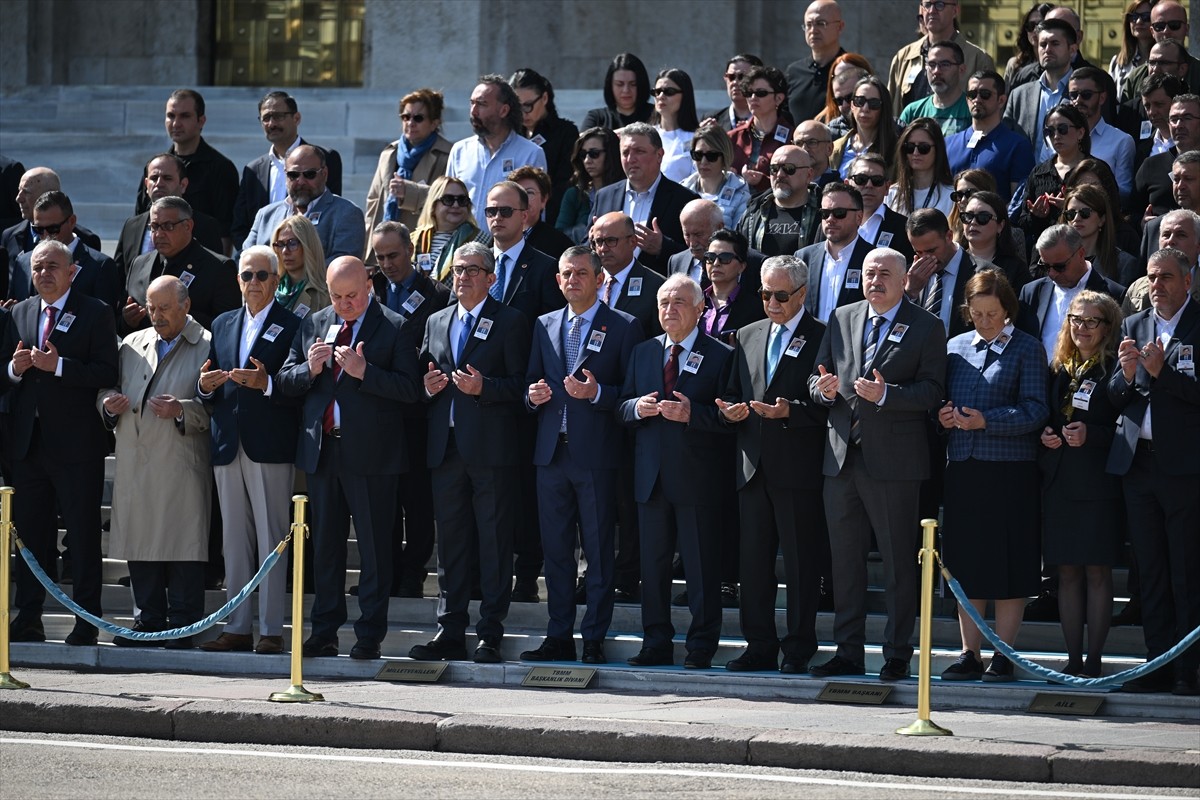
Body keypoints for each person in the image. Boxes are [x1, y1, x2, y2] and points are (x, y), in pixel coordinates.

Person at [808, 247, 947, 681]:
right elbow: (815, 377)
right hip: (841, 458)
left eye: (886, 273)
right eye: (869, 273)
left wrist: (887, 396)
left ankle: (897, 654)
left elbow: (932, 392)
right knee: (843, 563)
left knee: (897, 562)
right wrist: (824, 390)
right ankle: (847, 651)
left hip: (894, 462)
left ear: (905, 279)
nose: (876, 281)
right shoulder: (842, 316)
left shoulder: (927, 325)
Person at [276, 256, 422, 660]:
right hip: (324, 451)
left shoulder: (395, 325)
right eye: (337, 296)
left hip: (373, 457)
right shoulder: (315, 322)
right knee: (325, 548)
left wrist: (365, 372)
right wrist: (308, 368)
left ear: (369, 286)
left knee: (375, 549)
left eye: (352, 296)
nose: (345, 304)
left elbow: (411, 390)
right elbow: (286, 380)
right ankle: (324, 631)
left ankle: (369, 634)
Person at [521, 246, 643, 665]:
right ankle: (558, 635)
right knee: (555, 551)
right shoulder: (543, 324)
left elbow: (631, 393)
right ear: (558, 280)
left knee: (597, 549)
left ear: (599, 279)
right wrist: (532, 396)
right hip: (551, 453)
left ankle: (593, 636)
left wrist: (597, 393)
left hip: (596, 455)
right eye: (566, 274)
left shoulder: (624, 326)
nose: (572, 280)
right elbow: (530, 385)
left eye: (581, 274)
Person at [411, 243, 531, 663]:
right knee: (453, 545)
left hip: (491, 451)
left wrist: (486, 388)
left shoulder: (512, 322)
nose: (462, 277)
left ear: (491, 278)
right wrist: (427, 389)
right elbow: (423, 378)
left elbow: (523, 387)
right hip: (445, 449)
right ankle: (449, 630)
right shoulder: (436, 320)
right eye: (458, 269)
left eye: (473, 270)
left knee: (495, 543)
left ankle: (490, 633)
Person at [2, 240, 118, 648]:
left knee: (83, 536)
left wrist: (60, 365)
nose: (44, 273)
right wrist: (14, 370)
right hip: (29, 446)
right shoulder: (19, 311)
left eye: (53, 266)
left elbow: (107, 370)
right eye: (37, 267)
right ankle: (29, 615)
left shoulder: (96, 312)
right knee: (31, 538)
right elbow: (5, 375)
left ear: (72, 272)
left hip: (76, 446)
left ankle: (86, 620)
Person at [717, 255, 828, 674]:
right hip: (751, 465)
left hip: (797, 466)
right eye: (765, 294)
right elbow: (732, 392)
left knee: (801, 563)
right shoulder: (746, 334)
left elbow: (829, 405)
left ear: (802, 294)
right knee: (754, 564)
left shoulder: (823, 335)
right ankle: (758, 643)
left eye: (781, 295)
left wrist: (791, 412)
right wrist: (730, 412)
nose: (773, 303)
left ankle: (799, 646)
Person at [617, 274, 734, 670]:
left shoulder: (721, 355)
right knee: (653, 567)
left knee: (701, 567)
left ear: (700, 309)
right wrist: (637, 408)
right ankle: (655, 642)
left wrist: (692, 415)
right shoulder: (643, 352)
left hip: (698, 478)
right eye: (664, 303)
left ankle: (702, 644)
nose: (669, 310)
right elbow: (621, 406)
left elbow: (731, 417)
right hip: (650, 478)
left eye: (679, 302)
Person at [937, 270, 1048, 682]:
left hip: (1009, 471)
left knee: (1008, 563)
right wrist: (944, 416)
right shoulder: (954, 347)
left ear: (1007, 311)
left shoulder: (1027, 348)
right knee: (967, 564)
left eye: (992, 314)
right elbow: (941, 399)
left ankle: (1004, 655)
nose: (983, 321)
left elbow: (1036, 410)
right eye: (977, 313)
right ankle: (971, 654)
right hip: (964, 468)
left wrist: (987, 421)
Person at [197, 248, 301, 655]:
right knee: (233, 541)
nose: (253, 283)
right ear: (237, 281)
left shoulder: (294, 323)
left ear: (276, 281)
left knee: (272, 536)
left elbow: (298, 382)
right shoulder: (222, 323)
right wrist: (205, 386)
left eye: (261, 275)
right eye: (246, 276)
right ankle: (237, 625)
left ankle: (272, 629)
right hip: (227, 442)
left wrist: (267, 383)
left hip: (269, 443)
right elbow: (204, 381)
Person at [101, 276, 212, 649]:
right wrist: (108, 404)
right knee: (141, 541)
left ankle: (182, 623)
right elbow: (107, 387)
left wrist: (184, 409)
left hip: (180, 459)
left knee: (182, 541)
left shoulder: (208, 344)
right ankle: (147, 619)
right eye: (151, 308)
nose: (156, 315)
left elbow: (220, 408)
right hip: (136, 458)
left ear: (186, 305)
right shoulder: (132, 343)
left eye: (165, 307)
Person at [1107, 247, 1200, 695]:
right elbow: (1114, 396)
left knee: (1185, 569)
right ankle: (1156, 664)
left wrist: (1165, 374)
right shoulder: (1133, 324)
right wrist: (1125, 375)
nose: (1157, 285)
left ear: (1188, 280)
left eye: (1165, 277)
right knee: (1151, 569)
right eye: (1151, 276)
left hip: (1182, 467)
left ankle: (1188, 669)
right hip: (1137, 464)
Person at [1039, 290, 1125, 678]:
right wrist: (1047, 436)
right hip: (1059, 482)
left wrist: (1092, 435)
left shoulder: (1116, 370)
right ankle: (1073, 659)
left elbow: (1126, 427)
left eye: (1092, 321)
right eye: (1076, 319)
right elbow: (1048, 416)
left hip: (1099, 485)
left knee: (1097, 572)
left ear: (1107, 327)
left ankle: (1095, 658)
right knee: (1067, 573)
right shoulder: (1059, 367)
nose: (1082, 328)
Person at [370, 221, 451, 598]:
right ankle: (384, 571)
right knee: (382, 500)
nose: (386, 263)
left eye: (393, 255)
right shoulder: (371, 289)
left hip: (417, 413)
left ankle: (412, 573)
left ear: (411, 252)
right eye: (380, 256)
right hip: (377, 410)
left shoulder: (436, 294)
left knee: (417, 500)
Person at [231, 91, 343, 249]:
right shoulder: (254, 170)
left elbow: (331, 212)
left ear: (296, 118)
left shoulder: (325, 158)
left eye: (278, 116)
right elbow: (240, 225)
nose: (271, 124)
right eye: (266, 118)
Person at [135, 89, 240, 252]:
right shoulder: (155, 168)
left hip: (198, 266)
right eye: (171, 116)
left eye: (185, 116)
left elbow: (224, 234)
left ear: (201, 121)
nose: (176, 123)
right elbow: (139, 222)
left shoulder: (220, 168)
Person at [588, 123, 698, 274]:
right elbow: (586, 246)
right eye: (625, 153)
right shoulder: (605, 196)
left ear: (659, 155)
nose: (631, 159)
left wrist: (662, 247)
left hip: (660, 289)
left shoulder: (685, 199)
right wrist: (593, 240)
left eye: (639, 151)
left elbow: (698, 252)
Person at [124, 196, 240, 334]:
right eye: (154, 227)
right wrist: (128, 320)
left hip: (194, 352)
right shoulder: (138, 264)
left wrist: (179, 316)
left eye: (168, 226)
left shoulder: (218, 268)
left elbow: (228, 328)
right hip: (144, 352)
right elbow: (119, 323)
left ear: (188, 226)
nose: (159, 234)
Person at [363, 88, 453, 261]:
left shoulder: (448, 155)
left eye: (418, 118)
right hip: (385, 247)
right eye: (405, 117)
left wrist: (409, 192)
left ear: (434, 123)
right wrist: (369, 252)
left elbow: (449, 200)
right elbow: (373, 204)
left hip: (424, 246)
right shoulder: (390, 153)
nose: (410, 123)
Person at [448, 75, 548, 228]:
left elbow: (533, 215)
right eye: (472, 103)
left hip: (507, 248)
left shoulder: (531, 153)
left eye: (482, 104)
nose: (474, 112)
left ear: (504, 110)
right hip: (464, 247)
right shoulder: (460, 151)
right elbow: (447, 202)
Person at [1016, 225, 1127, 363]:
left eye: (1059, 266)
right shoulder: (1031, 292)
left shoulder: (1114, 294)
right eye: (1045, 266)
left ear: (1081, 253)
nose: (1052, 273)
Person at [242, 144, 366, 266]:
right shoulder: (265, 215)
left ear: (324, 174)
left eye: (309, 174)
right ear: (285, 175)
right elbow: (244, 259)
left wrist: (291, 276)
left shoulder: (346, 213)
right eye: (293, 175)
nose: (300, 181)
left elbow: (343, 266)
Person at [9, 191, 120, 314]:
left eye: (53, 229)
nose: (46, 236)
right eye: (38, 230)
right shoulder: (23, 262)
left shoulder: (99, 266)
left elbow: (105, 320)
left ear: (72, 222)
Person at [115, 154, 223, 280]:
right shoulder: (132, 226)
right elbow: (119, 277)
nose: (159, 183)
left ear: (183, 185)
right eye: (154, 178)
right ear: (146, 184)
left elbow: (214, 275)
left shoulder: (205, 226)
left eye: (167, 178)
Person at [887, 0, 995, 116]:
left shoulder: (978, 59)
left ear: (955, 10)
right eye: (927, 5)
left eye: (939, 5)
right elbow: (889, 112)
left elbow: (990, 115)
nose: (932, 11)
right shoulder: (904, 58)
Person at [945, 71, 1036, 203]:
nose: (977, 99)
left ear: (1001, 100)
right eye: (972, 94)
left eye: (985, 94)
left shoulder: (1018, 145)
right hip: (952, 222)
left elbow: (1018, 203)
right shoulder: (948, 143)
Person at [1012, 104, 1091, 249]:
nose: (1056, 136)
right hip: (1046, 254)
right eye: (1050, 131)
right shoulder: (1038, 173)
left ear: (1080, 133)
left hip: (1087, 250)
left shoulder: (1094, 170)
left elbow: (1110, 213)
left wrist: (1070, 209)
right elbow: (1022, 223)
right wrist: (1036, 216)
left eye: (1063, 129)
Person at [1003, 19, 1080, 162]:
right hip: (1026, 180)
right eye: (1043, 44)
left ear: (1072, 50)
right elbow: (1006, 142)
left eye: (1055, 43)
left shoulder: (1085, 93)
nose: (1047, 49)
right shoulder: (1019, 95)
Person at [510, 69, 579, 226]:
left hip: (551, 218)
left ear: (544, 98)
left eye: (528, 106)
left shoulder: (565, 132)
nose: (523, 113)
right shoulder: (511, 134)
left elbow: (565, 183)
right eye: (517, 107)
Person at [798, 182, 874, 323]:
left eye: (839, 213)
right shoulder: (803, 258)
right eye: (825, 213)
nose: (830, 219)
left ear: (859, 217)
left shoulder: (874, 259)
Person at [2, 167, 101, 273]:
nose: (18, 198)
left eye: (27, 192)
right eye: (19, 190)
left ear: (49, 196)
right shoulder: (10, 236)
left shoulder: (87, 240)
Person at [736, 145, 821, 257]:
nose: (780, 175)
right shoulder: (753, 212)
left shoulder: (823, 212)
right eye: (774, 169)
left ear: (809, 175)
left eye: (789, 168)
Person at [1068, 68, 1136, 202]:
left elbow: (1125, 192)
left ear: (1102, 98)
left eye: (1086, 94)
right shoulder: (1056, 136)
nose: (1078, 100)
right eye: (1073, 95)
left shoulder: (1122, 141)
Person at [412, 176, 492, 287]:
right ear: (433, 204)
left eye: (462, 200)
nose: (456, 205)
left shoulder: (481, 241)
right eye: (448, 200)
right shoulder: (414, 239)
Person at [729, 67, 793, 197]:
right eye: (749, 92)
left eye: (761, 93)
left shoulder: (793, 138)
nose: (753, 98)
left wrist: (762, 181)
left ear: (779, 99)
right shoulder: (732, 137)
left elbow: (799, 182)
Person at [1134, 93, 1200, 217]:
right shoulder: (1151, 165)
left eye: (1187, 118)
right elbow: (1130, 212)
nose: (1179, 125)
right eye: (1174, 119)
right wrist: (1142, 224)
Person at [1061, 184, 1141, 287]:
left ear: (1102, 219)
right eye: (1070, 214)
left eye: (1085, 213)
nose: (1076, 218)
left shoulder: (1124, 264)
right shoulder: (1056, 261)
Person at [555, 127, 622, 244]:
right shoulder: (574, 194)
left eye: (594, 154)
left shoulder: (626, 192)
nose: (587, 160)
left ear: (612, 154)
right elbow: (559, 236)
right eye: (583, 154)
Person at [786, 0, 847, 125]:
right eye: (808, 24)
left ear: (840, 27)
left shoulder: (851, 70)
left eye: (821, 23)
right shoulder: (793, 72)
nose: (813, 30)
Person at [847, 153, 915, 263]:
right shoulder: (831, 221)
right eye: (861, 179)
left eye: (877, 180)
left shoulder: (904, 228)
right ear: (847, 184)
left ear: (887, 187)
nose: (869, 185)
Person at [700, 228, 764, 344]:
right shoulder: (693, 301)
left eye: (725, 258)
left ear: (742, 266)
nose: (716, 263)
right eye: (710, 257)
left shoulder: (755, 309)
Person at [681, 126, 751, 230]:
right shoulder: (681, 190)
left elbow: (738, 240)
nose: (704, 162)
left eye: (711, 156)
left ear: (725, 157)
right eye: (698, 155)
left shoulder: (741, 196)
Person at [957, 190, 1029, 289]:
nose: (973, 222)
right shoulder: (953, 262)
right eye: (968, 216)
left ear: (1000, 225)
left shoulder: (1016, 269)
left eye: (983, 217)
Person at [885, 117, 955, 218]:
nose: (915, 153)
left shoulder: (951, 195)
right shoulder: (892, 194)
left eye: (923, 148)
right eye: (910, 147)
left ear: (938, 150)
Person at [898, 40, 971, 136]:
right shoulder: (912, 112)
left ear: (961, 70)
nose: (936, 71)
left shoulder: (972, 109)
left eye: (945, 65)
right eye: (932, 65)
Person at [831, 76, 899, 178]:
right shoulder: (835, 147)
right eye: (860, 101)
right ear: (852, 106)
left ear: (883, 109)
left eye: (874, 103)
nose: (865, 108)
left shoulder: (896, 150)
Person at [270, 215, 329, 319]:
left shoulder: (325, 293)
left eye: (292, 243)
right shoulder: (269, 288)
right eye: (280, 244)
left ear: (308, 245)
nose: (285, 251)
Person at [509, 166, 574, 259]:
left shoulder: (560, 244)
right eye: (517, 193)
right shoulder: (502, 236)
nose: (523, 199)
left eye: (529, 193)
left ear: (543, 200)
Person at [650, 68, 700, 185]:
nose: (661, 96)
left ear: (685, 95)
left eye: (669, 91)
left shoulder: (697, 138)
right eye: (656, 92)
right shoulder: (646, 135)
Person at [581, 53, 654, 130]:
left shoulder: (657, 115)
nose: (626, 90)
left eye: (633, 84)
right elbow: (584, 140)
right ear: (610, 85)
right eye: (619, 84)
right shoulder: (597, 118)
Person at [670, 199, 727, 287]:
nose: (692, 243)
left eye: (698, 234)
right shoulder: (676, 262)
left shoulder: (745, 260)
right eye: (687, 235)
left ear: (719, 228)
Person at [704, 54, 764, 132]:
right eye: (731, 77)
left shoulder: (771, 120)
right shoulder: (712, 119)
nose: (735, 82)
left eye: (742, 77)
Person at [1111, 0, 1156, 103]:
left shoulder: (1165, 59)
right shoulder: (1117, 62)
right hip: (1125, 117)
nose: (1139, 21)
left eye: (1146, 17)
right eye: (1134, 17)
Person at [820, 55, 872, 140]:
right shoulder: (826, 131)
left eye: (850, 97)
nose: (844, 105)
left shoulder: (894, 127)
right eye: (839, 100)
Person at [1005, 3, 1055, 88]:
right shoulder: (1015, 64)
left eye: (1041, 25)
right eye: (1030, 26)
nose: (1035, 30)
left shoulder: (1061, 62)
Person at [794, 120, 840, 189]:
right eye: (798, 143)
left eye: (812, 142)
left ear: (829, 148)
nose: (804, 149)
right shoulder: (787, 184)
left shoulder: (841, 191)